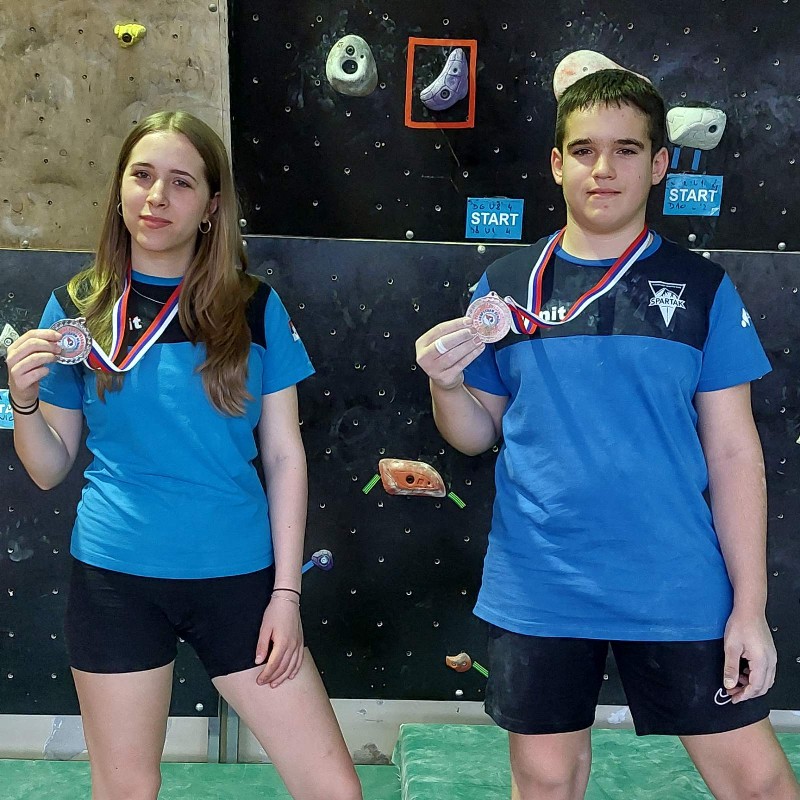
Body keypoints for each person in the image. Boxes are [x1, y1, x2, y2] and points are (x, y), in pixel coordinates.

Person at [416, 70, 800, 800]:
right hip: (541, 582)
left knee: (758, 785)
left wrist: (749, 607)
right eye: (584, 150)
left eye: (627, 150)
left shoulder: (703, 289)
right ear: (556, 163)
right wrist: (445, 384)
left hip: (675, 581)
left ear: (659, 165)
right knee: (546, 782)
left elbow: (734, 453)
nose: (604, 168)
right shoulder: (506, 285)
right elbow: (473, 436)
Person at [6, 111, 362, 800]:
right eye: (142, 175)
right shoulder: (76, 308)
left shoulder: (253, 307)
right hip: (115, 582)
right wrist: (23, 402)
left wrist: (286, 596)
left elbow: (285, 457)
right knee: (126, 791)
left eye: (181, 182)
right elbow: (49, 467)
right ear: (119, 188)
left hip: (239, 582)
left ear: (211, 205)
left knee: (333, 789)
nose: (156, 197)